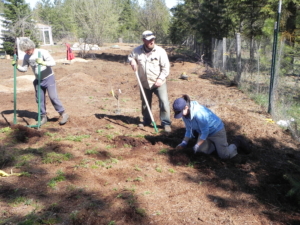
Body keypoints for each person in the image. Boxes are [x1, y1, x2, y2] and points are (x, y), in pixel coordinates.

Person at [173, 95, 251, 160]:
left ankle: (237, 142)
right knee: (200, 152)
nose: (180, 115)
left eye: (180, 113)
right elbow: (188, 130)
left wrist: (197, 145)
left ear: (186, 107)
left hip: (216, 131)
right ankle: (214, 145)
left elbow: (205, 132)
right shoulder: (185, 115)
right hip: (203, 133)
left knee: (225, 156)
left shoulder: (199, 114)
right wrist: (184, 142)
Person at [12, 38, 69, 126]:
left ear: (32, 47)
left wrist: (43, 63)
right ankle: (43, 117)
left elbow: (53, 63)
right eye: (25, 51)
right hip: (38, 80)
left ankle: (63, 113)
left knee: (53, 97)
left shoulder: (42, 52)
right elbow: (24, 69)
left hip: (48, 78)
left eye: (28, 50)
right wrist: (16, 66)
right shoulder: (26, 56)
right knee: (39, 99)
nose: (27, 52)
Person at [128, 30, 171, 132]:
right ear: (143, 40)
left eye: (153, 39)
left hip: (159, 82)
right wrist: (132, 60)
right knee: (145, 103)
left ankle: (166, 123)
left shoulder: (161, 51)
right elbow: (130, 57)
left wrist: (160, 79)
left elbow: (166, 68)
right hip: (144, 82)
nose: (152, 41)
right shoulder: (137, 50)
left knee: (164, 102)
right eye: (149, 40)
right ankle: (147, 120)